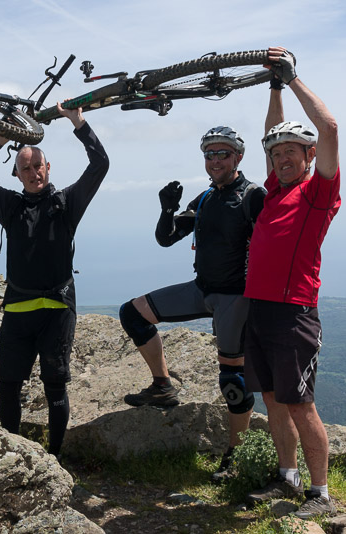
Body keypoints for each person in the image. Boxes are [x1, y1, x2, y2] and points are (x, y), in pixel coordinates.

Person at [118, 126, 266, 481]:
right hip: (202, 289)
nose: (215, 160)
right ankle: (163, 386)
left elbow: (272, 244)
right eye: (209, 154)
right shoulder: (204, 199)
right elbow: (166, 239)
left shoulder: (253, 195)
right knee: (132, 313)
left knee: (232, 378)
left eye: (223, 154)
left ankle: (236, 453)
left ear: (238, 157)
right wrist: (167, 208)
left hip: (237, 296)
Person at [0, 103, 109, 457]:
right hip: (18, 310)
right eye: (25, 168)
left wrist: (78, 123)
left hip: (57, 309)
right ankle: (12, 455)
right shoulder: (10, 206)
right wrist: (2, 136)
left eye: (37, 166)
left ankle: (55, 455)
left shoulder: (66, 203)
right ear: (17, 174)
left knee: (55, 385)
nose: (33, 173)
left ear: (47, 167)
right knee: (9, 384)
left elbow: (99, 165)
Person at [242, 46, 341, 519]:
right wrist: (274, 87)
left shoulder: (317, 194)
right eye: (276, 154)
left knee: (301, 405)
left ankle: (319, 494)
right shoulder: (275, 191)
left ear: (310, 156)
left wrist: (294, 78)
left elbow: (330, 129)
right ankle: (287, 478)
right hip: (257, 308)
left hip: (294, 312)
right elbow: (269, 133)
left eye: (291, 152)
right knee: (272, 400)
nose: (281, 158)